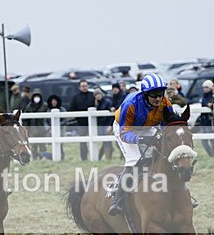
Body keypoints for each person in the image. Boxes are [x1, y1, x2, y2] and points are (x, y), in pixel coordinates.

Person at [108, 73, 174, 216]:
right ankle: (117, 199)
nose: (158, 98)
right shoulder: (131, 104)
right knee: (135, 159)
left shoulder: (165, 103)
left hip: (147, 127)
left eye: (160, 94)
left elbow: (168, 125)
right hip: (125, 129)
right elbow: (125, 133)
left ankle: (177, 193)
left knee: (163, 155)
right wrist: (141, 140)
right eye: (154, 94)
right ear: (145, 94)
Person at [68, 79, 95, 160]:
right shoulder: (76, 97)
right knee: (82, 141)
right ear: (79, 87)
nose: (84, 88)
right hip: (81, 122)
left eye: (85, 86)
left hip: (92, 122)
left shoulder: (92, 95)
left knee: (94, 139)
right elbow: (72, 109)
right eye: (83, 86)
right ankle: (84, 157)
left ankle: (94, 156)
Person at [22, 91, 47, 159]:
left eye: (38, 96)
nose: (36, 98)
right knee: (33, 145)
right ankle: (35, 157)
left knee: (42, 144)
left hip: (42, 128)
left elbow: (47, 118)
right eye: (35, 96)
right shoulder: (29, 106)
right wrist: (26, 128)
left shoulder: (44, 105)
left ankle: (43, 157)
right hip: (32, 129)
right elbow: (26, 119)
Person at [197, 80, 214, 157]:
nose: (205, 89)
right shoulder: (204, 96)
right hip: (203, 121)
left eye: (207, 87)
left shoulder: (212, 96)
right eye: (204, 87)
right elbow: (205, 104)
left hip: (209, 121)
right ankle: (211, 155)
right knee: (203, 141)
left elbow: (210, 104)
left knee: (212, 139)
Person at [94, 89, 114, 160]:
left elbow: (111, 114)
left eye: (99, 94)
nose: (98, 96)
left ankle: (108, 157)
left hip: (106, 124)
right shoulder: (96, 104)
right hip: (100, 125)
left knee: (107, 141)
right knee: (105, 141)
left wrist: (110, 125)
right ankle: (103, 156)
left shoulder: (107, 102)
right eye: (96, 95)